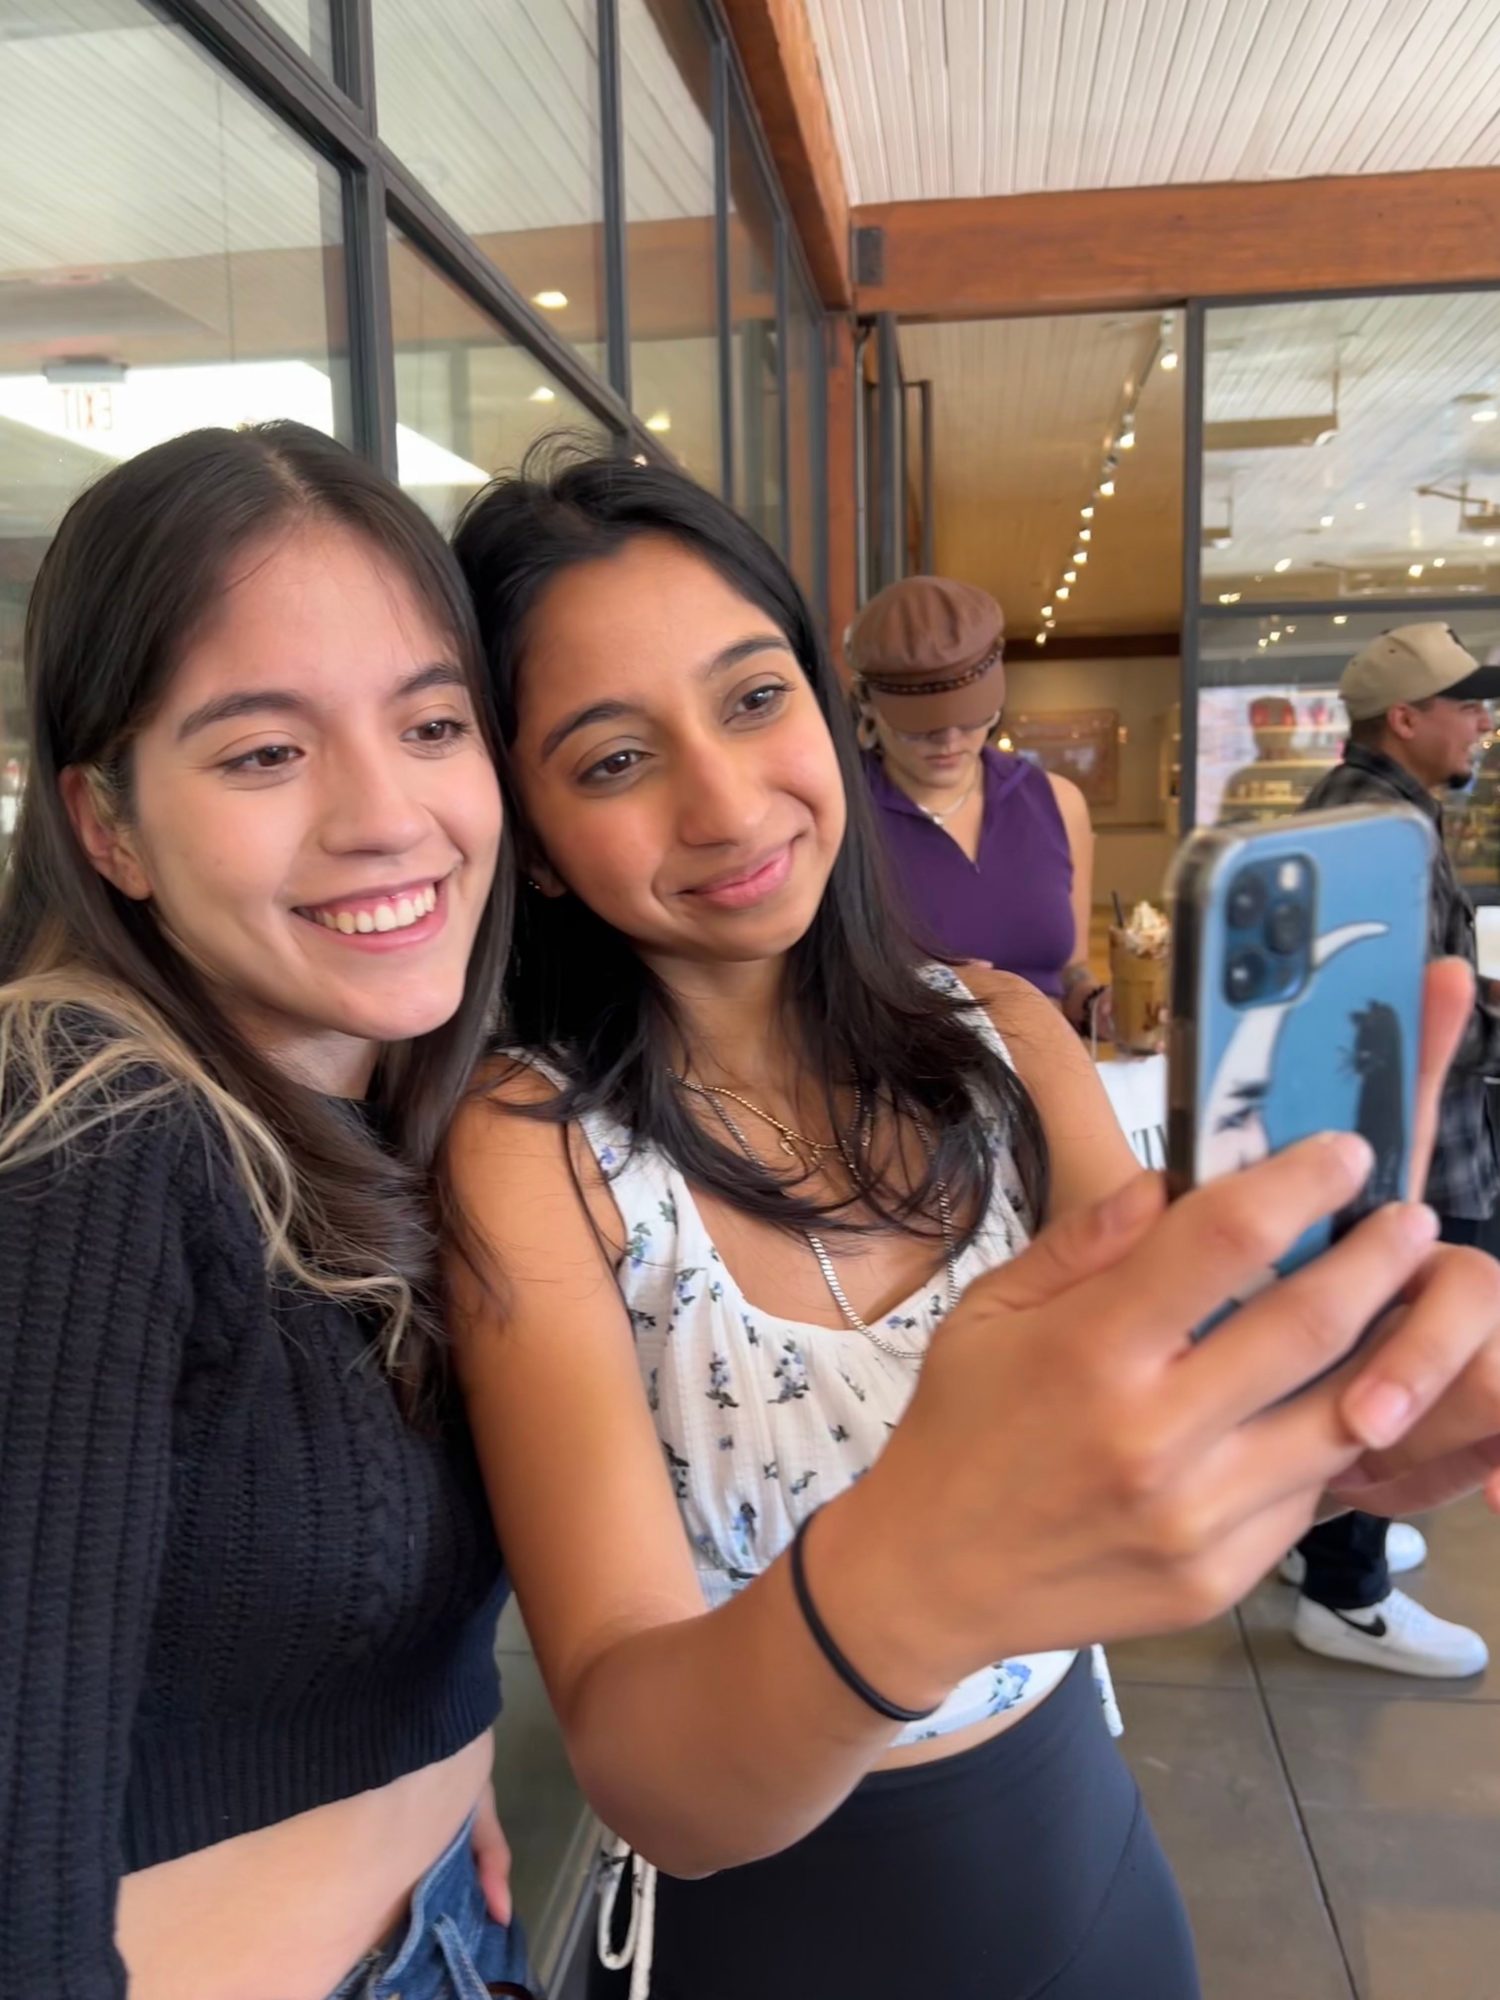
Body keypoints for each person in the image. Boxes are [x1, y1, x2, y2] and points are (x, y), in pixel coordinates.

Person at [445, 452, 1500, 2000]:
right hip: (775, 1940)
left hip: (1085, 1869)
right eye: (612, 760)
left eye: (755, 699)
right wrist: (927, 1568)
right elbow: (644, 1769)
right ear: (531, 835)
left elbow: (1209, 1397)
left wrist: (1358, 1411)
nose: (726, 802)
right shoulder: (530, 1145)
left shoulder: (1006, 1038)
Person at [0, 424, 533, 2000]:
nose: (385, 813)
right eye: (262, 753)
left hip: (446, 1935)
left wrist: (440, 1754)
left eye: (431, 724)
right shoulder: (92, 1127)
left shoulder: (389, 1106)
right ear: (106, 826)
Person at [1285, 621, 1500, 1677]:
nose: (1484, 723)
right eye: (1468, 704)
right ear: (1405, 718)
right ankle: (1346, 1589)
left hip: (1380, 1149)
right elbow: (1401, 1020)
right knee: (1395, 1360)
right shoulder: (1382, 830)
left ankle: (1326, 1533)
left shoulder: (1369, 811)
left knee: (1375, 1346)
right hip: (1411, 1156)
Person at [849, 576, 1106, 1031]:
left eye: (970, 718)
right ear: (867, 703)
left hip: (1045, 1067)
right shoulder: (840, 815)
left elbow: (1070, 969)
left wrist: (1095, 1004)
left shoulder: (1058, 801)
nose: (949, 740)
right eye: (922, 725)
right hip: (904, 1068)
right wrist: (917, 987)